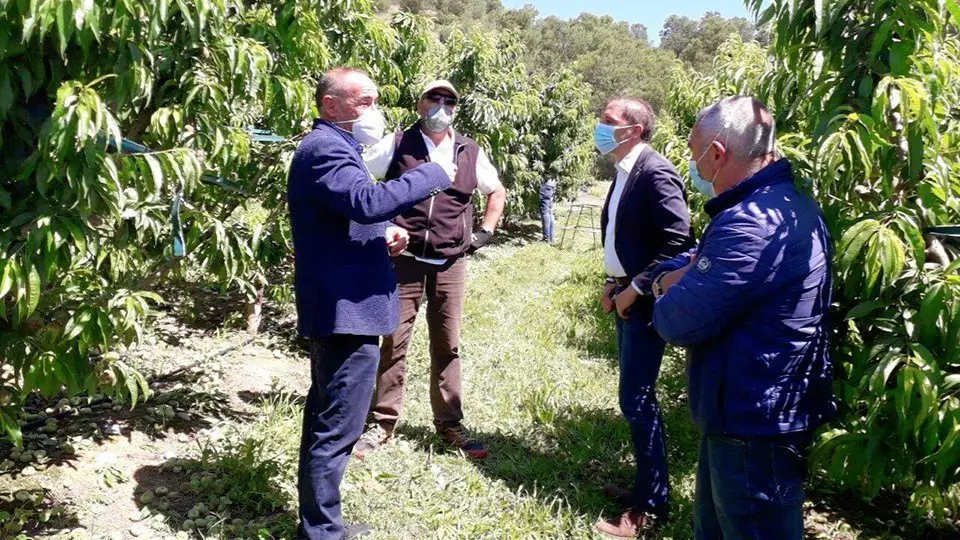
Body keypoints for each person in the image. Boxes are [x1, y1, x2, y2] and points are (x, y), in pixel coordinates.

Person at [641, 96, 835, 539]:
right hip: (748, 408)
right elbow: (701, 263)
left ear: (717, 155)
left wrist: (658, 286)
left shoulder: (749, 223)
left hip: (753, 416)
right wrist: (686, 273)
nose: (694, 168)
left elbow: (676, 321)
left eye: (694, 156)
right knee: (715, 525)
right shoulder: (785, 202)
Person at [287, 67, 455, 540]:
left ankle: (321, 524)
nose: (373, 110)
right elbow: (364, 201)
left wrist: (380, 233)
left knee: (331, 416)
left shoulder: (338, 147)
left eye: (375, 100)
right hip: (345, 309)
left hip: (347, 300)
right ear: (330, 105)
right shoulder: (325, 148)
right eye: (363, 101)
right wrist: (433, 173)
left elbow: (341, 216)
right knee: (337, 423)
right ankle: (321, 533)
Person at [356, 80, 507, 460]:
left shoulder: (469, 150)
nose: (441, 105)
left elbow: (496, 191)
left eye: (449, 100)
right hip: (402, 260)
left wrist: (484, 233)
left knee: (447, 343)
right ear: (420, 103)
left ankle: (450, 424)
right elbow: (360, 182)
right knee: (394, 339)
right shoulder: (398, 142)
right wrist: (381, 227)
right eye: (434, 98)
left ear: (456, 108)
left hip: (450, 262)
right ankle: (382, 423)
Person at [593, 98, 694, 538]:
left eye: (609, 122)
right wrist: (616, 281)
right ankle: (645, 490)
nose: (600, 127)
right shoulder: (625, 171)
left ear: (634, 130)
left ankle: (651, 505)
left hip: (647, 302)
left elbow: (680, 243)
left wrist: (635, 289)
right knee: (633, 398)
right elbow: (628, 238)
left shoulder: (655, 171)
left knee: (637, 399)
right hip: (628, 292)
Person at [539, 179, 557, 243]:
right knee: (549, 212)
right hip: (552, 184)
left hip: (546, 186)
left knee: (545, 213)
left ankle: (546, 238)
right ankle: (551, 238)